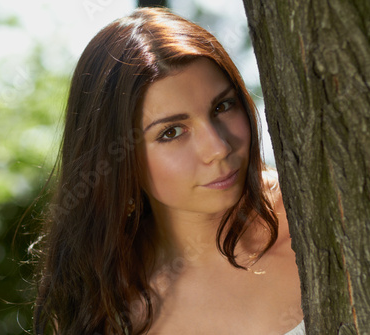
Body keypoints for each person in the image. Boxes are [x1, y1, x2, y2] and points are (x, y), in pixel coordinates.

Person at [32, 7, 304, 335]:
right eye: (171, 132)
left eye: (222, 106)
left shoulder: (321, 217)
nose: (217, 147)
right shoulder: (104, 310)